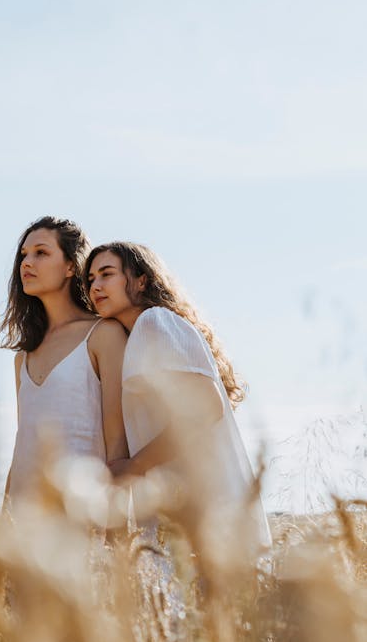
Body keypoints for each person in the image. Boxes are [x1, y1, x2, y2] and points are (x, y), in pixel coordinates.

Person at [84, 241, 271, 564]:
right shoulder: (141, 334)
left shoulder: (155, 322)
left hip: (200, 503)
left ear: (141, 280)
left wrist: (135, 466)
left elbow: (205, 407)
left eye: (106, 274)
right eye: (90, 279)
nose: (95, 286)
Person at [0, 217, 128, 513]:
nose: (27, 263)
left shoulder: (103, 335)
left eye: (41, 253)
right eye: (24, 255)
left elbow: (118, 443)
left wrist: (117, 540)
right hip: (25, 519)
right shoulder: (23, 357)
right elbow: (23, 446)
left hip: (83, 513)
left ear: (71, 266)